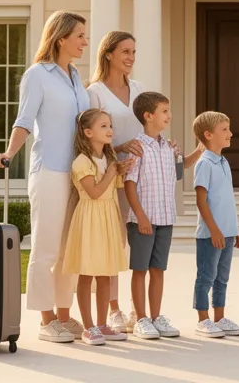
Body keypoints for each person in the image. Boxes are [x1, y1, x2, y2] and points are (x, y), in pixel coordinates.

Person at [0, 10, 92, 343]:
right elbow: (25, 120)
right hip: (49, 170)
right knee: (46, 248)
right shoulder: (38, 75)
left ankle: (64, 314)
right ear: (61, 37)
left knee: (69, 250)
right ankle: (47, 320)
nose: (84, 41)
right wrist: (9, 153)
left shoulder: (76, 76)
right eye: (79, 35)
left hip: (77, 173)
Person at [123, 91, 204, 339]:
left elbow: (181, 170)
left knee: (158, 269)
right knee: (140, 269)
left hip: (165, 218)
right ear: (148, 116)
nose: (169, 115)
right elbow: (129, 184)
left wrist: (200, 149)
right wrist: (141, 216)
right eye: (165, 111)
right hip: (143, 221)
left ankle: (156, 317)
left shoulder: (168, 147)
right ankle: (141, 318)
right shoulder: (137, 148)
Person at [84, 30, 148, 333]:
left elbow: (149, 129)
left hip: (142, 176)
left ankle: (140, 311)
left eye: (133, 52)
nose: (130, 58)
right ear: (108, 53)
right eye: (125, 51)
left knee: (139, 241)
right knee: (114, 242)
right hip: (112, 177)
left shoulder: (139, 89)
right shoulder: (94, 92)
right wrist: (119, 149)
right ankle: (114, 309)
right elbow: (92, 137)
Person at [60, 108, 134, 345]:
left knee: (106, 274)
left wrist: (123, 170)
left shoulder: (108, 159)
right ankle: (89, 327)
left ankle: (102, 325)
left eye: (110, 125)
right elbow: (94, 192)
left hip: (108, 217)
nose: (109, 130)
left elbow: (115, 187)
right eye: (103, 126)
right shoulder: (82, 161)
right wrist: (113, 170)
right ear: (88, 132)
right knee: (87, 272)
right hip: (90, 219)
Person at [191, 111, 239, 339]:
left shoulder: (223, 161)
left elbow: (227, 198)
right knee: (206, 276)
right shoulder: (204, 164)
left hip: (227, 232)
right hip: (210, 234)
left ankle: (219, 317)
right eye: (224, 130)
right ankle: (203, 320)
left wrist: (236, 228)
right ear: (208, 134)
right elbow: (201, 200)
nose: (230, 133)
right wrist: (214, 229)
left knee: (222, 277)